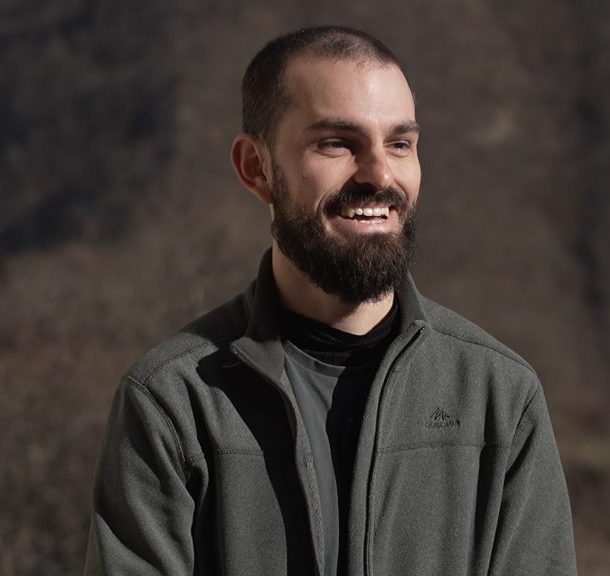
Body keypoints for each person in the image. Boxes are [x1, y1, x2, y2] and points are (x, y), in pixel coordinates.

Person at [85, 25, 576, 576]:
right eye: (338, 143)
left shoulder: (500, 399)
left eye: (400, 144)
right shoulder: (172, 403)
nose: (380, 174)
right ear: (256, 167)